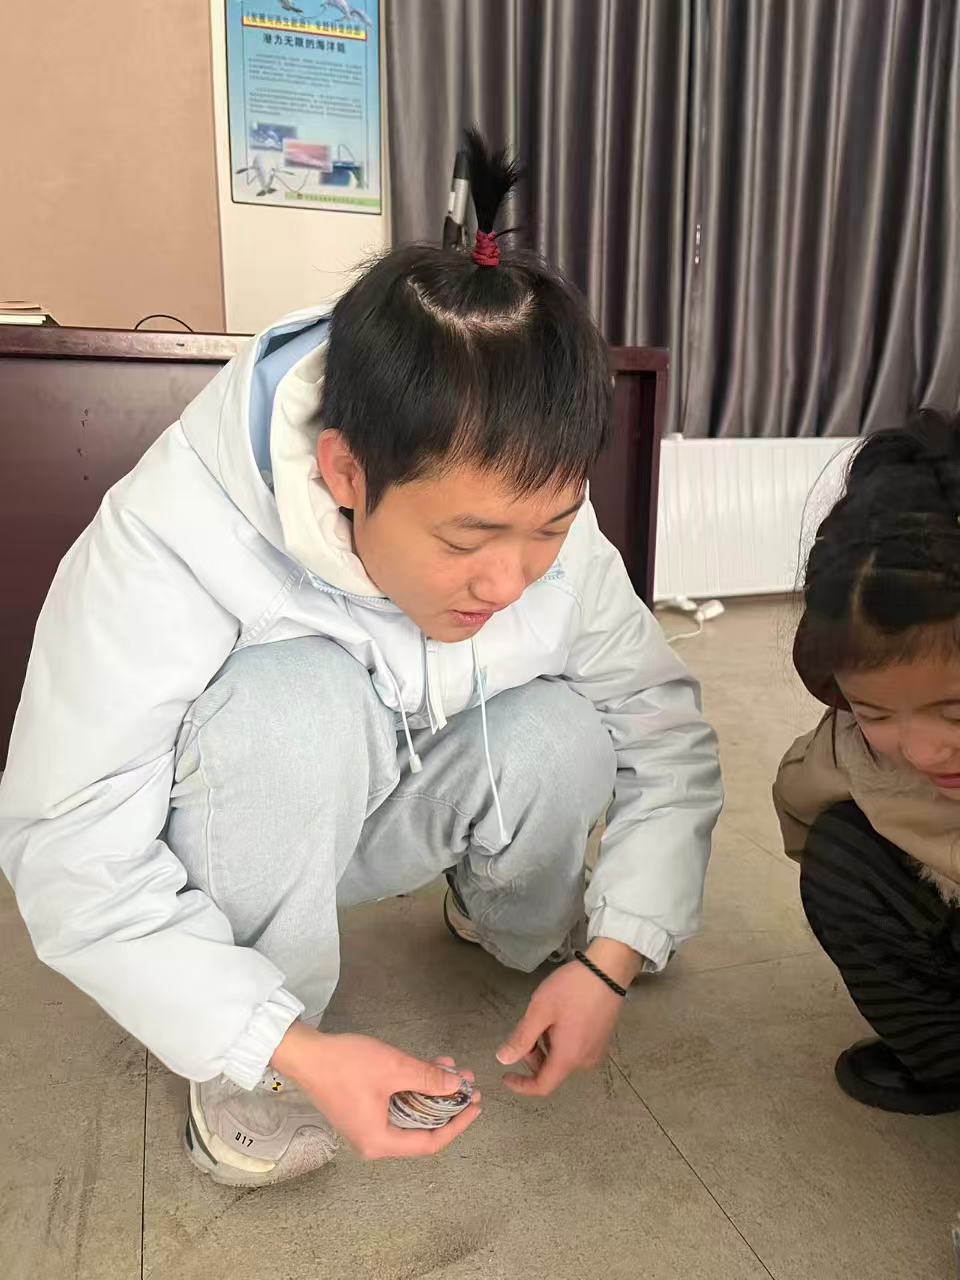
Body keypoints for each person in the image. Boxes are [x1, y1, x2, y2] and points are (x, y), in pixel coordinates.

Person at [0, 134, 721, 1187]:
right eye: (468, 541)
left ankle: (501, 918)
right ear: (344, 472)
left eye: (552, 528)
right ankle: (254, 1053)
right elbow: (70, 843)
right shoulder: (170, 532)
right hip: (252, 823)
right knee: (294, 702)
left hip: (407, 794)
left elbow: (665, 735)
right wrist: (282, 1043)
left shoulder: (528, 510)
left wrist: (613, 959)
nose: (511, 580)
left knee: (567, 732)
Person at [775, 410, 960, 1116]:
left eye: (955, 712)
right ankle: (945, 1058)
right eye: (877, 713)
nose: (922, 750)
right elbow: (799, 801)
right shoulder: (848, 750)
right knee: (841, 855)